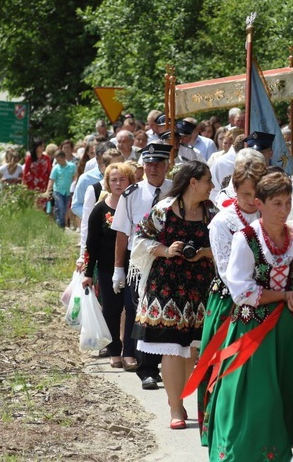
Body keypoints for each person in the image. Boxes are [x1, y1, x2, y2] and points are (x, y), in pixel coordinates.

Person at [200, 171, 293, 459]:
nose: (284, 210)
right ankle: (241, 452)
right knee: (256, 395)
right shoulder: (246, 238)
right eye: (276, 203)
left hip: (290, 329)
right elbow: (240, 290)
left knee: (284, 391)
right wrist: (285, 296)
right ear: (259, 204)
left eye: (288, 202)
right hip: (253, 329)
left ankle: (279, 450)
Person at [131, 161, 216, 429]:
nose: (211, 186)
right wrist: (166, 250)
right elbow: (140, 239)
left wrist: (203, 253)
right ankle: (176, 407)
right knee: (171, 348)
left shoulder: (211, 213)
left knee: (190, 348)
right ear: (193, 182)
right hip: (166, 287)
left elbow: (226, 246)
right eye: (207, 181)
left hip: (199, 288)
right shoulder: (164, 210)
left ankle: (178, 398)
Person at [196, 160, 266, 439]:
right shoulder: (223, 223)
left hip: (268, 301)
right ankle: (222, 429)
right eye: (245, 194)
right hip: (231, 303)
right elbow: (226, 271)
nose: (251, 201)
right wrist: (257, 293)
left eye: (255, 194)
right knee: (226, 366)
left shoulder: (271, 216)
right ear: (234, 190)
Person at [111, 142, 173, 391]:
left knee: (166, 313)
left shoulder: (176, 191)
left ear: (167, 165)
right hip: (139, 263)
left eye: (158, 164)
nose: (153, 169)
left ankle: (164, 366)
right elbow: (122, 235)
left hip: (169, 260)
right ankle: (146, 369)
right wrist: (118, 269)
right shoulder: (132, 194)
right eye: (149, 164)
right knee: (142, 314)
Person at [83, 162, 137, 369]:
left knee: (132, 308)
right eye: (113, 180)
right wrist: (88, 273)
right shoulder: (100, 209)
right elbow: (91, 243)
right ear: (107, 183)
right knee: (112, 311)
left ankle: (129, 352)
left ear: (130, 181)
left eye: (122, 179)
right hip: (106, 268)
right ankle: (115, 351)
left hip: (133, 267)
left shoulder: (136, 206)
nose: (118, 183)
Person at [46, 150, 78, 229]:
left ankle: (63, 223)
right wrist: (48, 190)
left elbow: (75, 177)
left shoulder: (72, 166)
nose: (58, 162)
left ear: (64, 158)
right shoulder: (56, 168)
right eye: (57, 160)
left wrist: (74, 186)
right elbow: (51, 180)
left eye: (59, 160)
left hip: (68, 192)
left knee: (66, 208)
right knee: (60, 207)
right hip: (58, 191)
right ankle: (61, 224)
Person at [23, 138, 52, 209]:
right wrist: (23, 185)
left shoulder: (46, 158)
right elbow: (25, 173)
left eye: (43, 146)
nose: (43, 148)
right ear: (36, 147)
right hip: (31, 184)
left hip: (43, 184)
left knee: (41, 204)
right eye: (41, 146)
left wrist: (49, 185)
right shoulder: (30, 158)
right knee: (32, 203)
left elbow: (49, 171)